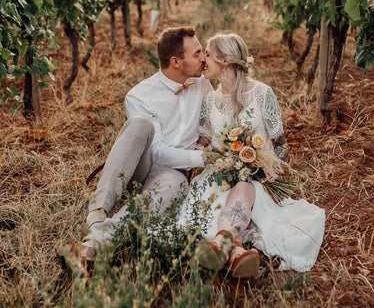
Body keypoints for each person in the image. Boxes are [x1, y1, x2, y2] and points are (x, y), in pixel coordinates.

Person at [60, 26, 212, 274]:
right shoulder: (139, 95)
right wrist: (203, 157)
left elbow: (211, 126)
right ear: (175, 61)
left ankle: (94, 244)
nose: (203, 58)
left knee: (176, 185)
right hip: (142, 166)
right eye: (197, 54)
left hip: (171, 174)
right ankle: (97, 211)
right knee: (139, 125)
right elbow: (159, 152)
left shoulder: (203, 86)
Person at [177, 33, 325, 278]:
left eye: (209, 55)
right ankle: (234, 254)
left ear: (225, 60)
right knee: (219, 200)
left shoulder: (262, 93)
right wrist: (208, 159)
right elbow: (201, 144)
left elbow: (281, 143)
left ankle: (223, 247)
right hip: (217, 177)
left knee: (243, 186)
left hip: (256, 178)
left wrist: (270, 167)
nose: (204, 60)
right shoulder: (209, 99)